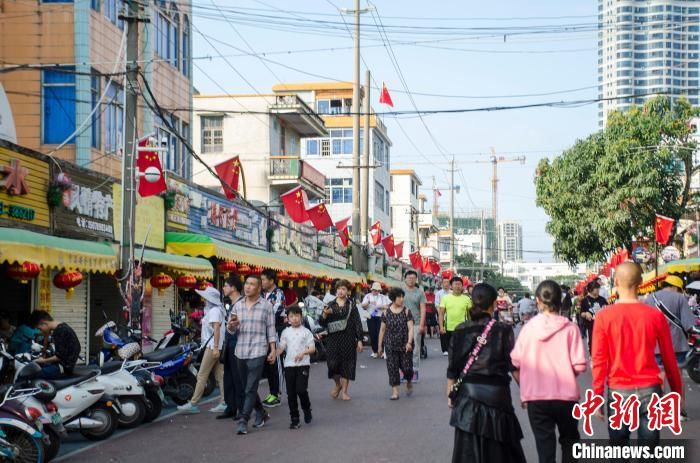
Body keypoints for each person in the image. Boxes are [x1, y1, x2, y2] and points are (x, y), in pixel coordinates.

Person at [591, 263, 683, 447]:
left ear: (616, 282)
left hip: (618, 391)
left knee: (618, 450)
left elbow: (599, 360)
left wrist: (597, 396)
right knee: (648, 451)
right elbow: (669, 359)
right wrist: (677, 393)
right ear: (641, 283)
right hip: (650, 390)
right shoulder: (655, 316)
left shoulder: (604, 317)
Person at [447, 284, 526, 463]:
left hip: (468, 394)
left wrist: (450, 391)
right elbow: (512, 366)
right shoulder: (503, 329)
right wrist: (527, 392)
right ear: (493, 305)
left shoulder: (460, 329)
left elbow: (453, 365)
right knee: (501, 447)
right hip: (497, 396)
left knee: (469, 448)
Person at [511, 281, 587, 463]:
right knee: (570, 441)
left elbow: (516, 362)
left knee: (545, 447)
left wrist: (526, 388)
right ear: (560, 301)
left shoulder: (528, 329)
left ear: (537, 300)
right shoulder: (570, 328)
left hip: (536, 398)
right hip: (566, 397)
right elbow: (579, 365)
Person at [229, 275, 277, 436]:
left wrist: (273, 350)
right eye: (246, 284)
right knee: (247, 387)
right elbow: (231, 329)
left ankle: (243, 420)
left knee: (250, 387)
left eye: (252, 284)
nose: (247, 287)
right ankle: (261, 412)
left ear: (259, 288)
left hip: (258, 349)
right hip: (240, 350)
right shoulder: (237, 305)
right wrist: (231, 326)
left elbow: (271, 330)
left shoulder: (266, 306)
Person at [178, 286, 227, 414]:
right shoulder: (217, 310)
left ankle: (193, 403)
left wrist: (215, 348)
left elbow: (216, 329)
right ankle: (224, 401)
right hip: (216, 346)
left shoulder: (214, 311)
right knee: (220, 376)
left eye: (205, 297)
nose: (203, 299)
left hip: (212, 347)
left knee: (202, 375)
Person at [319, 279, 363, 401]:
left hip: (348, 338)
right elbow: (322, 322)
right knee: (332, 364)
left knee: (347, 365)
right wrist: (325, 314)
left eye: (343, 289)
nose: (340, 291)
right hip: (333, 339)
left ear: (347, 291)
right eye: (339, 289)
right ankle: (338, 384)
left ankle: (345, 391)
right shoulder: (330, 304)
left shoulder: (351, 304)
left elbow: (357, 322)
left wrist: (359, 340)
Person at [276, 304, 315, 429]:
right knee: (291, 393)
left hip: (303, 365)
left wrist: (303, 353)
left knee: (301, 390)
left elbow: (312, 348)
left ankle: (307, 408)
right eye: (291, 316)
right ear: (288, 318)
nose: (294, 319)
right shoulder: (285, 332)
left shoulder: (306, 332)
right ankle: (295, 418)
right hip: (289, 365)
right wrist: (273, 354)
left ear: (301, 317)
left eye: (297, 316)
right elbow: (281, 347)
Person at [377, 287, 414, 400]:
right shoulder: (386, 313)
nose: (402, 299)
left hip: (404, 344)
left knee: (407, 368)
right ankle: (395, 391)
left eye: (403, 297)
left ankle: (408, 381)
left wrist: (409, 342)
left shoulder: (407, 311)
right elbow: (382, 330)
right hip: (390, 344)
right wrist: (379, 346)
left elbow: (411, 328)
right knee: (392, 368)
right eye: (399, 297)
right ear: (393, 298)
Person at [217, 276, 245, 420]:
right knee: (228, 377)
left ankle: (241, 409)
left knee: (238, 378)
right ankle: (231, 407)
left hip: (238, 345)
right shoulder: (232, 304)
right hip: (228, 344)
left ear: (233, 287)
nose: (223, 288)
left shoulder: (242, 304)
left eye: (226, 286)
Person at [29, 311, 80, 379]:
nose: (40, 331)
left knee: (31, 375)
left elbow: (59, 356)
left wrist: (43, 360)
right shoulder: (63, 326)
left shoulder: (59, 331)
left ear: (43, 322)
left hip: (63, 369)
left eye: (40, 329)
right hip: (66, 367)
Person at [261, 269, 285, 408]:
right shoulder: (263, 294)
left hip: (275, 332)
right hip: (264, 334)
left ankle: (277, 394)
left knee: (276, 363)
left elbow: (273, 313)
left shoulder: (279, 294)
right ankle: (271, 392)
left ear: (271, 280)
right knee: (269, 364)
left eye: (264, 279)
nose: (262, 282)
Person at [438, 277, 473, 358]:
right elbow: (441, 313)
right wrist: (441, 326)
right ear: (451, 286)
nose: (457, 286)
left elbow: (470, 315)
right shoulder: (445, 298)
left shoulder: (467, 299)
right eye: (455, 284)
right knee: (452, 351)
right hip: (449, 328)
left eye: (459, 284)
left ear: (462, 286)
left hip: (463, 328)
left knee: (461, 350)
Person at [401, 270, 426, 382]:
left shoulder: (420, 292)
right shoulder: (400, 292)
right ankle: (403, 372)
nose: (411, 280)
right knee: (402, 348)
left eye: (413, 278)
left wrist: (421, 325)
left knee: (415, 348)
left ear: (416, 279)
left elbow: (423, 309)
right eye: (409, 277)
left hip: (416, 323)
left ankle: (415, 372)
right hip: (401, 323)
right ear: (405, 279)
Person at [362, 282, 390, 359]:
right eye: (374, 290)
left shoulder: (383, 297)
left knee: (381, 334)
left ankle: (383, 351)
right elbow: (363, 306)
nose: (376, 292)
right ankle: (375, 351)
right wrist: (369, 302)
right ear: (372, 290)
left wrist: (381, 306)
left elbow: (389, 305)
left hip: (381, 317)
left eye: (377, 290)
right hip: (371, 317)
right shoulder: (367, 296)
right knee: (372, 334)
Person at [580, 281, 607, 352]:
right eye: (596, 288)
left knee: (603, 345)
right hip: (591, 327)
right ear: (590, 289)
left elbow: (608, 310)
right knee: (593, 345)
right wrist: (585, 314)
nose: (598, 290)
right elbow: (581, 313)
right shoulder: (584, 301)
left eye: (598, 288)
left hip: (603, 327)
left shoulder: (603, 299)